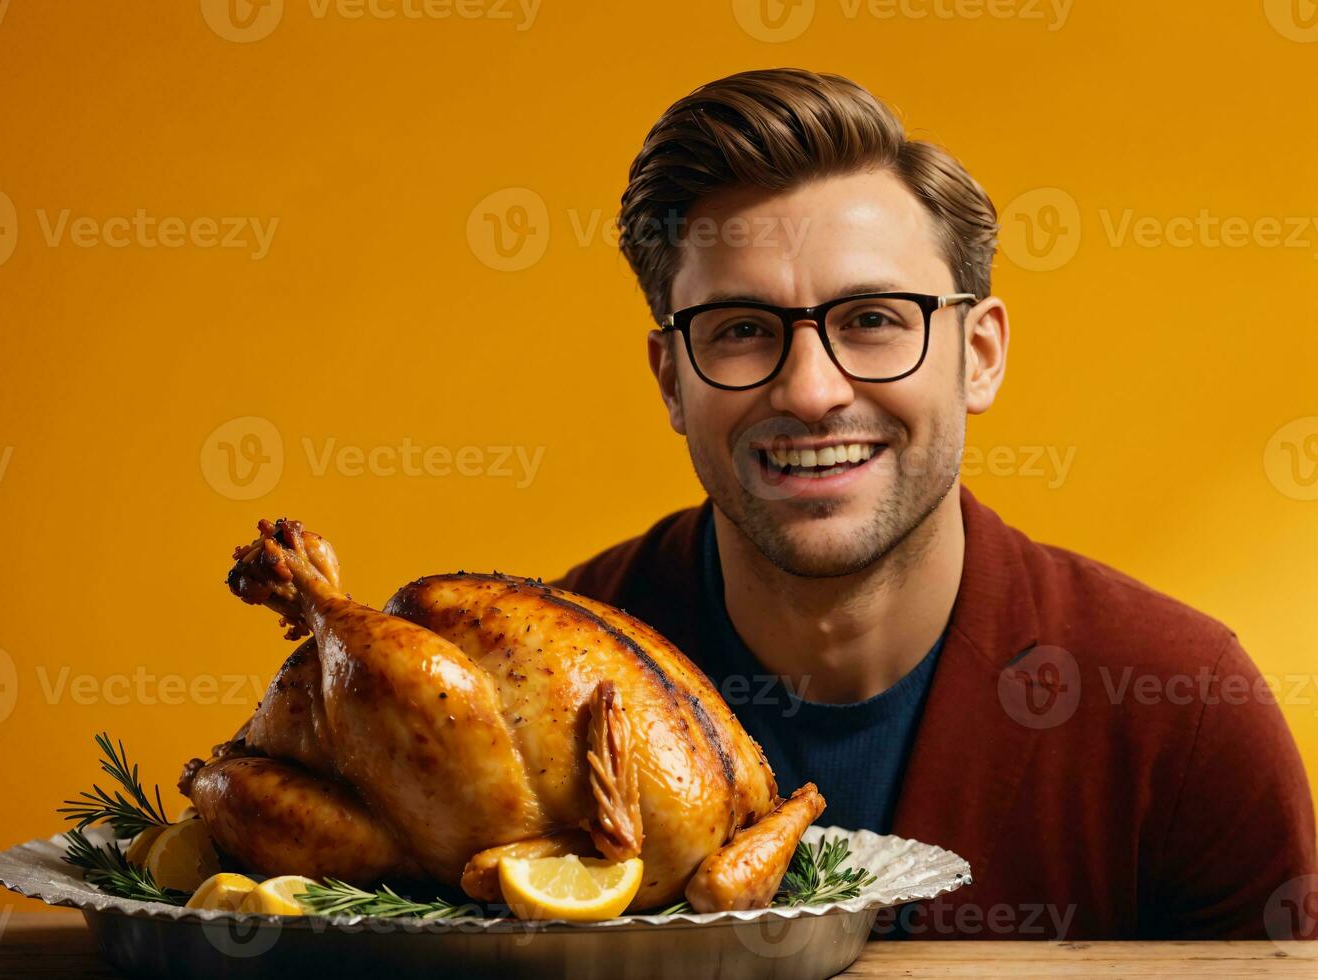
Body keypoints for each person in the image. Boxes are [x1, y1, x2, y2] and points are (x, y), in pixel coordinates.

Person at [553, 67, 1315, 941]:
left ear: (980, 354)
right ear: (671, 379)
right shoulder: (546, 686)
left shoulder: (1181, 714)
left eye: (873, 319)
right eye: (740, 329)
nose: (810, 391)